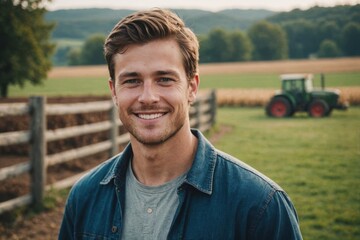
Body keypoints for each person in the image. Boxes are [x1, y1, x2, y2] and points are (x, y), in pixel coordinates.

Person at [59, 8, 303, 240]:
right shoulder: (84, 197)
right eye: (132, 81)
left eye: (164, 79)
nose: (147, 97)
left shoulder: (260, 204)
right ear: (114, 91)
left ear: (192, 87)